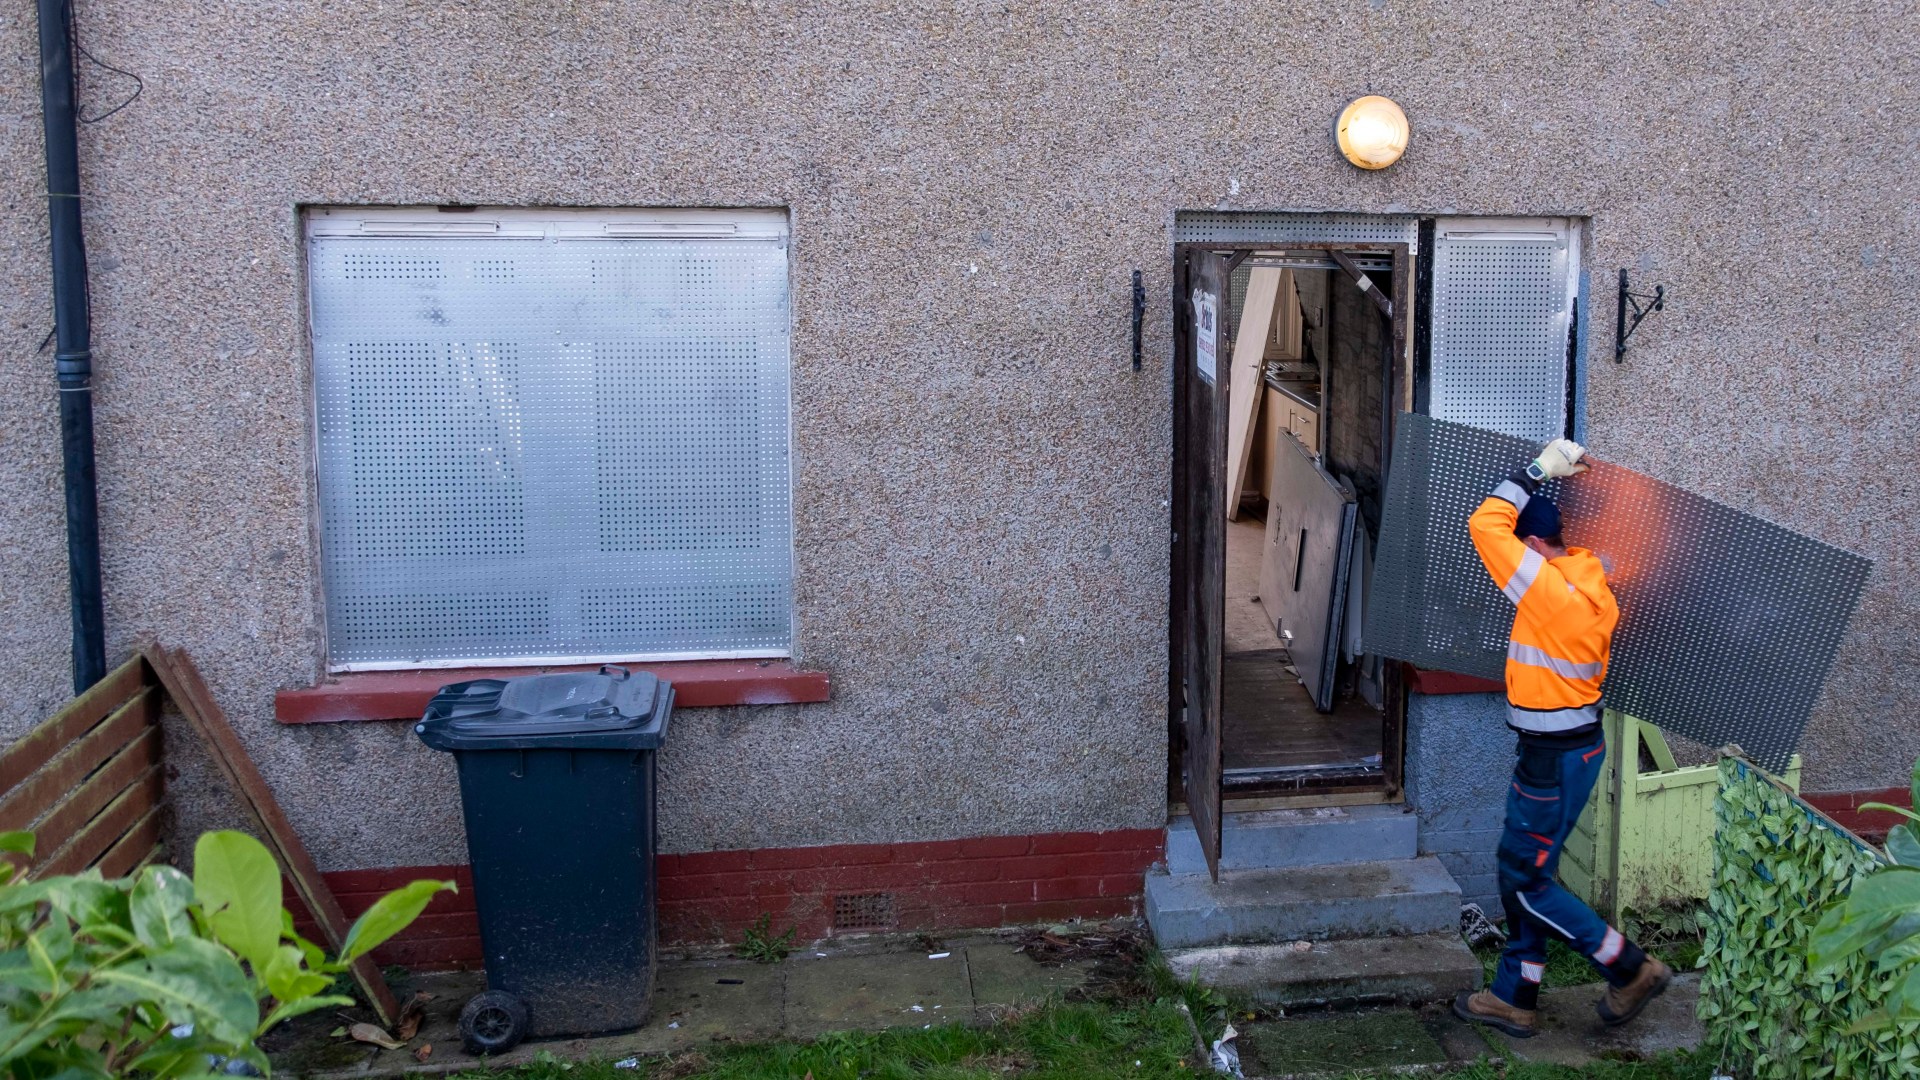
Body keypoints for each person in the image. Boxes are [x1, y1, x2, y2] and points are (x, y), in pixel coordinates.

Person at [1452, 437, 1671, 1039]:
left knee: (1524, 880)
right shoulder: (1582, 579)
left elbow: (1484, 522)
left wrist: (1536, 471)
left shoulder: (1549, 591)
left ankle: (1630, 968)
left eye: (1517, 552)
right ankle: (1514, 996)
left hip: (1551, 763)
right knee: (1523, 872)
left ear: (1530, 547)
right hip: (1571, 753)